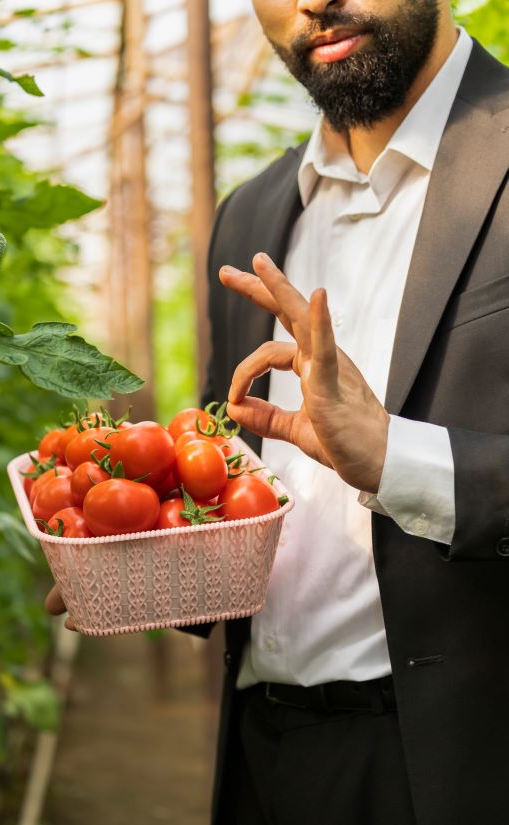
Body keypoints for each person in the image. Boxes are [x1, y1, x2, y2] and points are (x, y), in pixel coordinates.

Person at [47, 1, 509, 823]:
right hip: (264, 760)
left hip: (462, 764)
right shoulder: (251, 215)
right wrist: (132, 550)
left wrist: (396, 456)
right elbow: (225, 497)